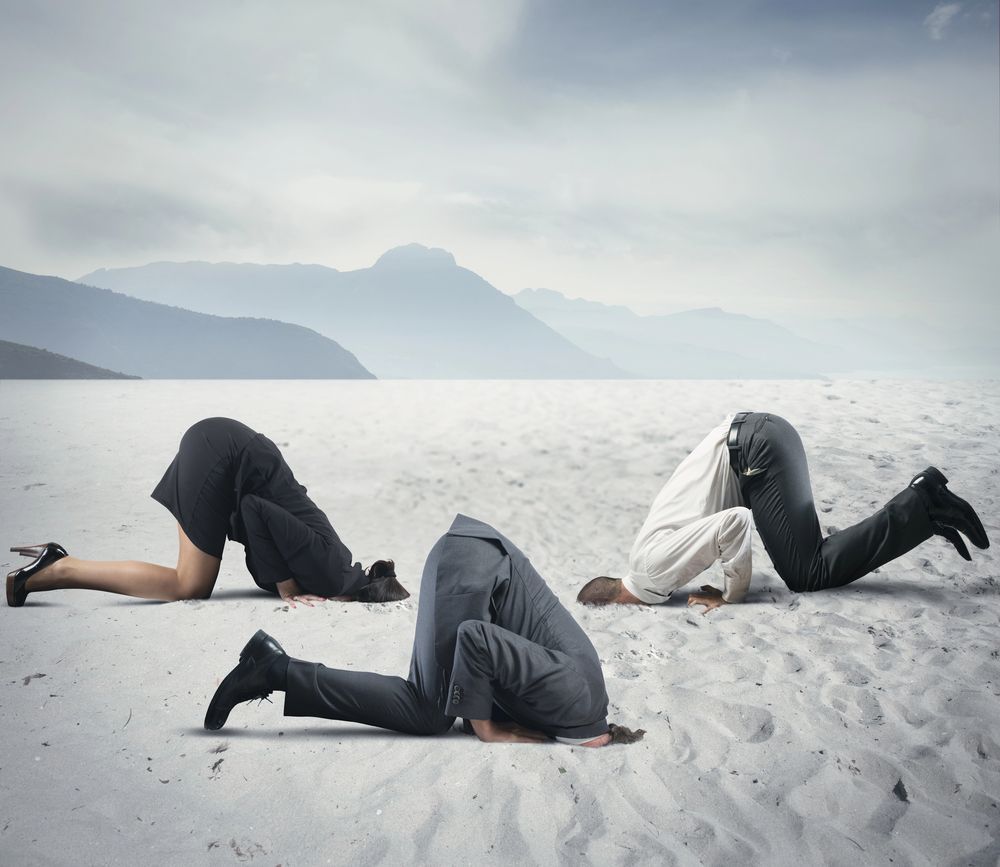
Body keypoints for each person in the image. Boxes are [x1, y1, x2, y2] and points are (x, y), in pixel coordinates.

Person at [205, 514, 645, 746]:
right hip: (471, 567)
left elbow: (503, 665)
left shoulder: (576, 702)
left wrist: (485, 719)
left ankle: (274, 664)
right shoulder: (574, 697)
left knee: (438, 705)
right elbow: (476, 637)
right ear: (598, 738)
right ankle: (274, 669)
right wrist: (488, 729)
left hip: (471, 559)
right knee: (429, 712)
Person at [577, 412, 990, 613]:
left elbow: (734, 522)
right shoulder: (645, 555)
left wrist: (730, 594)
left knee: (806, 574)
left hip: (756, 450)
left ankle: (925, 504)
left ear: (615, 603)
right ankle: (925, 513)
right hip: (763, 436)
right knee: (807, 555)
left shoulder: (650, 572)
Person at [6, 417, 407, 606]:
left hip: (224, 446)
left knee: (190, 579)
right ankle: (60, 566)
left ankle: (47, 572)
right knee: (189, 586)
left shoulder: (336, 566)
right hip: (226, 456)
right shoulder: (331, 571)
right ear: (363, 597)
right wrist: (287, 585)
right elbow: (254, 508)